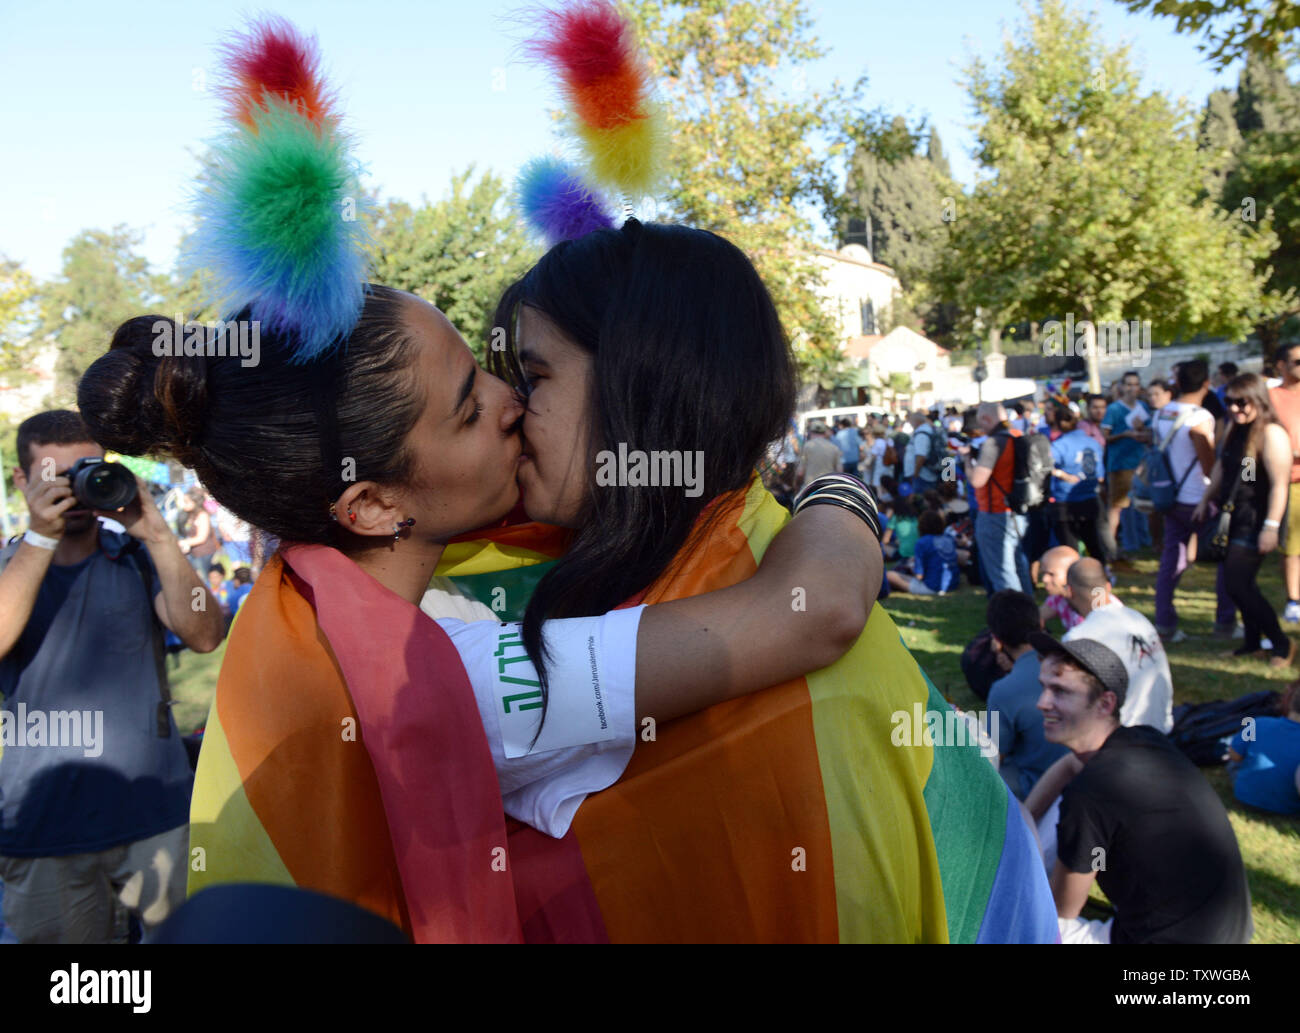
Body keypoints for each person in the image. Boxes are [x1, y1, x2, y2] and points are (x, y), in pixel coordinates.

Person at [486, 218, 1057, 942]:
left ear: (643, 381)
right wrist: (842, 498)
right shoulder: (734, 563)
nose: (507, 408)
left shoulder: (803, 704)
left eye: (533, 377)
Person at [0, 411, 226, 943]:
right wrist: (39, 538)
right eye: (57, 476)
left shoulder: (135, 557)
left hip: (155, 812)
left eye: (87, 471)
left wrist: (157, 535)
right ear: (20, 480)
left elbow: (205, 634)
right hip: (46, 825)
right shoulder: (8, 564)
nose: (75, 490)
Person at [1032, 633, 1253, 944]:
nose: (1042, 703)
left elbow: (1062, 908)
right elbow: (1071, 765)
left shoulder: (1089, 793)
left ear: (1105, 703)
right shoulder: (1145, 739)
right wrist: (1027, 817)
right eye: (1043, 687)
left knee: (1032, 924)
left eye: (1060, 692)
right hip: (1229, 933)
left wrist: (1025, 842)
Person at [1195, 372, 1295, 667]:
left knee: (1239, 584)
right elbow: (1222, 470)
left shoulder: (1272, 433)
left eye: (1242, 403)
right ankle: (1253, 643)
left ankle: (1281, 643)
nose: (1235, 409)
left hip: (1258, 518)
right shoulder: (1234, 429)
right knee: (1236, 584)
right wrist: (1205, 500)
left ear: (1257, 401)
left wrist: (1272, 527)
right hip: (1233, 514)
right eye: (1230, 402)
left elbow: (1280, 484)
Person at [1060, 558, 1173, 732]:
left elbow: (1067, 703)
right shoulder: (1137, 618)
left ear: (1069, 591)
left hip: (1121, 739)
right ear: (1108, 587)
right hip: (1162, 729)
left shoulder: (1079, 639)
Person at [1150, 360, 1216, 644]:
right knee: (1224, 559)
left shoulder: (1162, 413)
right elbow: (1209, 463)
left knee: (1171, 560)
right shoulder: (1200, 417)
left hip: (1169, 496)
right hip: (1197, 497)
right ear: (1206, 384)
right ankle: (1226, 619)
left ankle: (1164, 621)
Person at [985, 590, 1070, 800]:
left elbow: (994, 755)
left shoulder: (1004, 691)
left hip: (1040, 786)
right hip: (1086, 774)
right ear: (1041, 623)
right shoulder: (1073, 661)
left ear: (997, 639)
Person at [964, 401, 1034, 595]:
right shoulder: (1018, 436)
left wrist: (966, 461)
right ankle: (1028, 611)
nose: (980, 430)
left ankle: (1014, 619)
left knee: (1003, 571)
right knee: (1018, 566)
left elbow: (977, 480)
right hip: (1018, 509)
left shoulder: (994, 442)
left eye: (981, 424)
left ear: (986, 419)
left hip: (995, 512)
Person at [1047, 405, 1109, 565]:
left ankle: (1076, 582)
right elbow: (1100, 475)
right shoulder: (1093, 443)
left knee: (1070, 549)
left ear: (1058, 424)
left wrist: (1062, 474)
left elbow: (1044, 466)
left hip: (1065, 501)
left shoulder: (1059, 445)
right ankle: (1101, 576)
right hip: (1090, 498)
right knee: (1094, 543)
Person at [1227, 686, 1300, 815]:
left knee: (1234, 763)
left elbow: (1234, 755)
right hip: (1290, 807)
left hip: (1245, 797)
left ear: (1289, 702)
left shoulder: (1258, 723)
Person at [1267, 341, 1300, 624]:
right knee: (1291, 546)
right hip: (1286, 483)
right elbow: (1249, 451)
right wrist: (1248, 480)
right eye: (1297, 362)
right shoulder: (1270, 398)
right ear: (1281, 365)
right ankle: (1293, 600)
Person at [1102, 371, 1150, 559]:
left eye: (1135, 384)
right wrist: (1125, 434)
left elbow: (1149, 432)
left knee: (1141, 504)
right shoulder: (1114, 409)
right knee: (1117, 505)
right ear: (1121, 386)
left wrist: (1141, 431)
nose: (1132, 388)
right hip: (1120, 463)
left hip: (1141, 462)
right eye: (1128, 384)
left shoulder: (1143, 406)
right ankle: (1111, 543)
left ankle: (1140, 539)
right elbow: (1105, 435)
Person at [886, 509, 959, 596]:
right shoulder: (948, 539)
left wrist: (912, 567)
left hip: (932, 587)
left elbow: (919, 576)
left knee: (889, 575)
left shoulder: (922, 542)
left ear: (921, 526)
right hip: (952, 584)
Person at [175, 487, 219, 579]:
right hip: (193, 553)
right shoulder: (189, 514)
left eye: (187, 502)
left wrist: (183, 543)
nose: (184, 504)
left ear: (195, 503)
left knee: (204, 579)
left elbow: (201, 538)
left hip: (204, 553)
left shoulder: (202, 516)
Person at [1038, 544, 1083, 633]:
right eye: (1043, 573)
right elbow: (1035, 618)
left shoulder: (1089, 605)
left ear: (1070, 573)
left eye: (1051, 574)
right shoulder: (1058, 598)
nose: (1044, 579)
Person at [795, 421, 841, 485]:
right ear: (825, 433)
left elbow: (800, 473)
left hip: (811, 487)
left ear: (810, 432)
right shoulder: (834, 447)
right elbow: (839, 471)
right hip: (829, 486)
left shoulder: (806, 447)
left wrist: (797, 487)